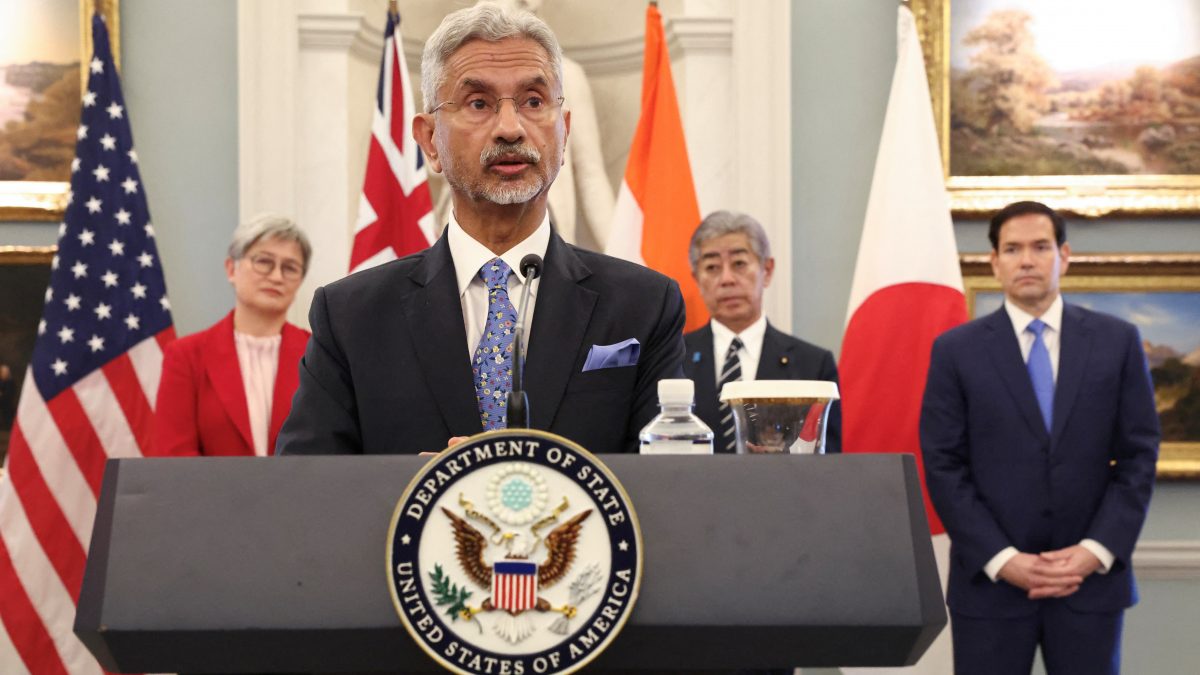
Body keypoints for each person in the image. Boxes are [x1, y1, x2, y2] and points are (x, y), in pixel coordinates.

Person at [276, 3, 685, 456]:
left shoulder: (645, 307)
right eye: (478, 103)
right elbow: (308, 493)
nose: (510, 128)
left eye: (533, 101)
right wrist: (426, 489)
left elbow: (667, 495)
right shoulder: (350, 317)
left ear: (564, 132)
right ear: (430, 141)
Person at [920, 201, 1159, 675]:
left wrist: (1093, 553)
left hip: (1088, 587)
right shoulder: (956, 352)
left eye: (1039, 247)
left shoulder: (1118, 341)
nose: (1026, 260)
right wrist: (1003, 559)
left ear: (1064, 256)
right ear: (994, 262)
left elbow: (1138, 456)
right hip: (991, 588)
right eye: (1012, 249)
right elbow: (944, 465)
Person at [152, 214, 312, 457]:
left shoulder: (317, 354)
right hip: (207, 495)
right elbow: (173, 458)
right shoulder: (186, 355)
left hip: (301, 495)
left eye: (290, 268)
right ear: (231, 269)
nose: (277, 276)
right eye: (264, 261)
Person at [682, 210, 841, 453]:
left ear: (767, 270)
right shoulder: (674, 359)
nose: (726, 279)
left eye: (739, 264)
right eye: (712, 267)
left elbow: (828, 465)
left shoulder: (813, 365)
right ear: (696, 278)